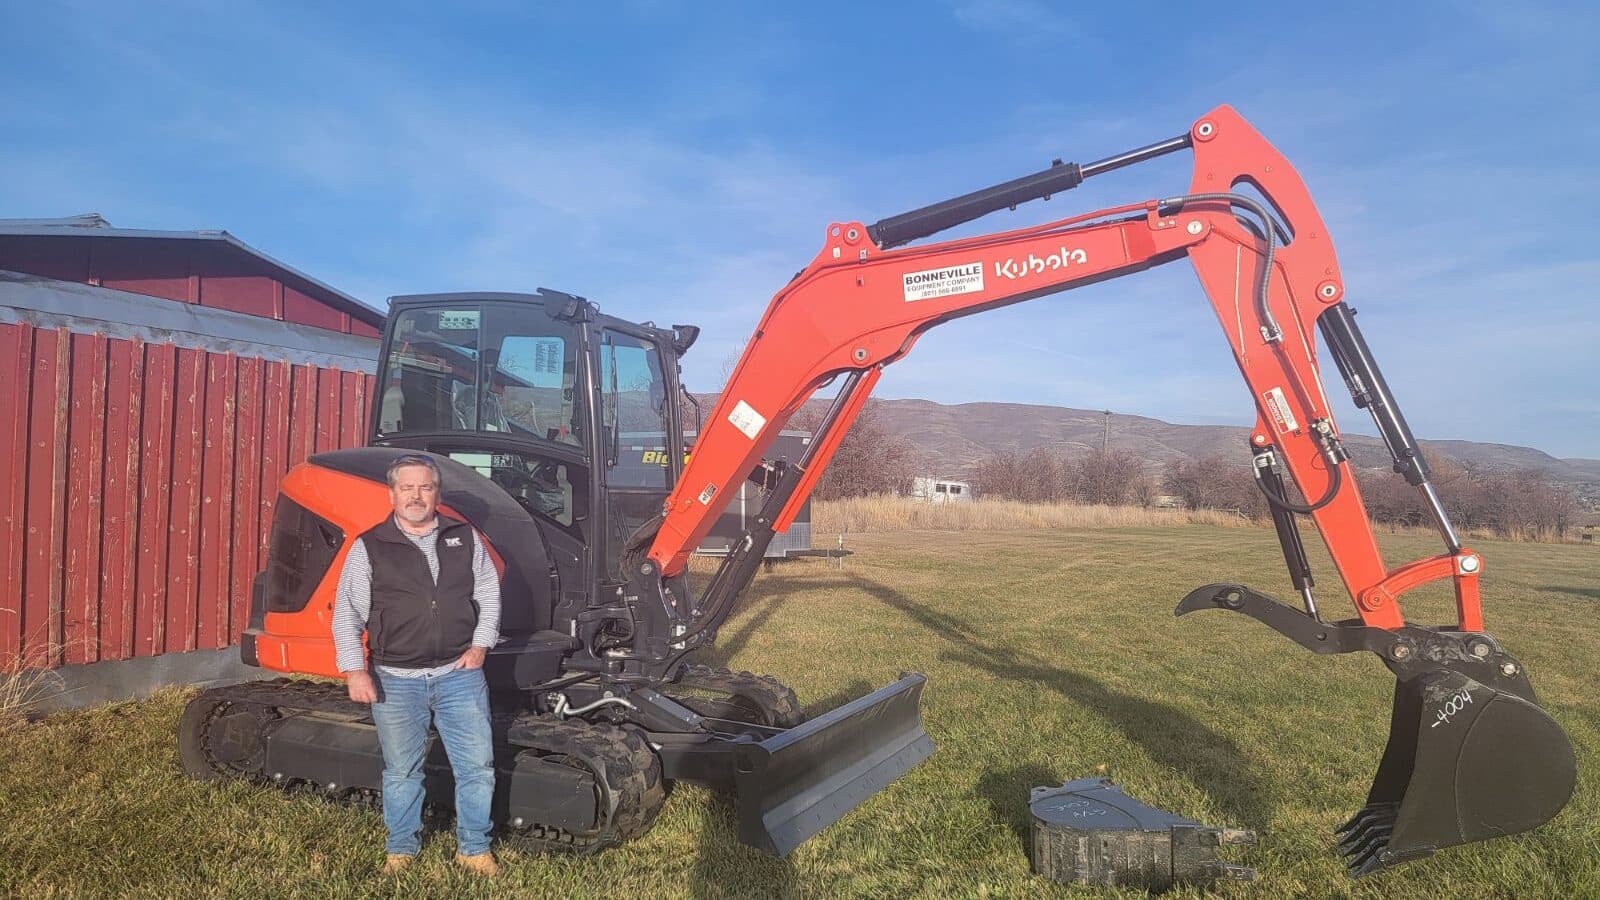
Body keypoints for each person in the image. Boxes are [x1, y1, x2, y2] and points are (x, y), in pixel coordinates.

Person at [332, 453, 502, 877]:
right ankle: (402, 849)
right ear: (392, 494)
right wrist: (355, 670)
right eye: (407, 488)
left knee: (477, 768)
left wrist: (481, 644)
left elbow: (488, 592)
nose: (416, 496)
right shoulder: (370, 545)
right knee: (403, 771)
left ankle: (474, 848)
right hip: (396, 680)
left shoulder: (463, 537)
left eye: (425, 487)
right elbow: (347, 613)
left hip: (458, 675)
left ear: (436, 493)